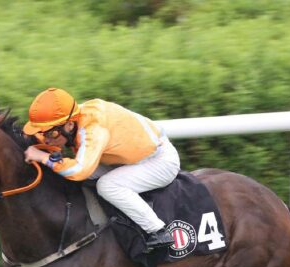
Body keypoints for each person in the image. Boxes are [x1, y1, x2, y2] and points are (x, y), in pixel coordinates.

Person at [22, 88, 179, 250]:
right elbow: (43, 136)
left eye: (52, 134)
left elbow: (79, 170)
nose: (47, 139)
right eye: (43, 133)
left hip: (159, 161)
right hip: (126, 160)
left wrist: (44, 157)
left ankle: (158, 230)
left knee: (107, 186)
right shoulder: (72, 119)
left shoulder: (93, 129)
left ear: (69, 125)